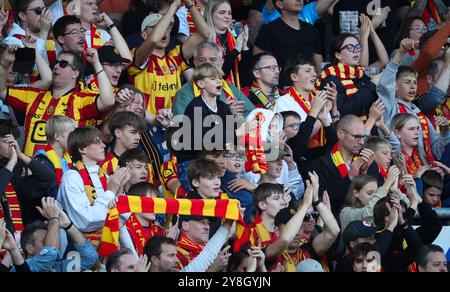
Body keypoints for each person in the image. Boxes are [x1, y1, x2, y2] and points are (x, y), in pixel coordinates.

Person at [0, 49, 116, 157]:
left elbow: (108, 101)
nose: (56, 66)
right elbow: (2, 91)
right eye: (56, 63)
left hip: (64, 174)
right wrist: (4, 64)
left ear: (75, 73)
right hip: (29, 172)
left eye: (63, 64)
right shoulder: (34, 96)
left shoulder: (80, 101)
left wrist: (96, 63)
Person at [129, 0, 209, 117]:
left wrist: (190, 5)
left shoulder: (175, 57)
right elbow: (153, 40)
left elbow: (204, 33)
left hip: (172, 124)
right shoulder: (138, 56)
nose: (164, 32)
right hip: (147, 125)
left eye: (168, 28)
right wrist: (174, 6)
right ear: (144, 35)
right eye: (157, 28)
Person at [377, 39, 450, 162]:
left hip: (425, 168)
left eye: (415, 83)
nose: (413, 86)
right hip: (402, 168)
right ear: (394, 86)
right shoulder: (390, 107)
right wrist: (400, 53)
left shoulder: (418, 112)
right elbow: (385, 85)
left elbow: (436, 151)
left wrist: (444, 132)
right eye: (407, 82)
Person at [57, 127, 130, 247]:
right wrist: (111, 191)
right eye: (97, 142)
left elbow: (124, 215)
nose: (104, 146)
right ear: (82, 149)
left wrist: (120, 189)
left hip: (110, 244)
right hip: (81, 250)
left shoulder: (104, 176)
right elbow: (86, 220)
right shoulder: (71, 178)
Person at [235, 174, 315, 271]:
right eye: (276, 198)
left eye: (282, 198)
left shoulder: (281, 230)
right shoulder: (249, 232)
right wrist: (305, 204)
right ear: (262, 205)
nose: (283, 202)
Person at [308, 115, 381, 216]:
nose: (362, 142)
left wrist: (364, 175)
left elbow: (378, 198)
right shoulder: (319, 165)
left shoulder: (368, 162)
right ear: (341, 134)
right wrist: (350, 177)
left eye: (363, 137)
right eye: (357, 137)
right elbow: (321, 200)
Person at [172, 41, 254, 117]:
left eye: (213, 60)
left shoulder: (229, 88)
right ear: (195, 63)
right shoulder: (185, 93)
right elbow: (184, 128)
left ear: (221, 63)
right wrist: (224, 113)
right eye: (202, 60)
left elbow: (252, 113)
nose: (207, 64)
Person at [254, 0, 323, 86]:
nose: (299, 0)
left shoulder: (311, 29)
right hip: (280, 90)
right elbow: (258, 63)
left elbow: (318, 63)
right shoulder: (268, 30)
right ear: (279, 4)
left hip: (308, 89)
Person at [19, 197, 98, 272]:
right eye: (45, 242)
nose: (54, 243)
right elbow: (51, 252)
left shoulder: (57, 267)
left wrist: (68, 225)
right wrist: (53, 219)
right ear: (30, 248)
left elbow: (90, 257)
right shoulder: (23, 268)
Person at [0, 120, 55, 227]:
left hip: (26, 226)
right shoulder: (10, 166)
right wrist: (12, 162)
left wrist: (20, 155)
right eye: (5, 141)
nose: (10, 145)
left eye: (13, 140)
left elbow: (49, 178)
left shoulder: (22, 164)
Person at [315, 33, 377, 118]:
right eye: (350, 47)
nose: (356, 51)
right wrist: (371, 86)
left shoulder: (360, 74)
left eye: (358, 47)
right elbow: (343, 112)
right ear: (338, 55)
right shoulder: (330, 79)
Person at [339, 169, 410, 232]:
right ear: (356, 193)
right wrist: (387, 183)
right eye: (370, 193)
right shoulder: (345, 212)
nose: (374, 197)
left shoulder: (377, 209)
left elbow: (406, 206)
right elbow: (367, 214)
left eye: (376, 193)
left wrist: (394, 190)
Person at [204, 0, 249, 88]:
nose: (227, 16)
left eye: (229, 13)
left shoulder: (234, 39)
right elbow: (219, 75)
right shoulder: (204, 41)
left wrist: (244, 47)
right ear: (210, 15)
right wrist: (236, 50)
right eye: (222, 13)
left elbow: (247, 79)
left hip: (237, 93)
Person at [100, 111, 146, 176]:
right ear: (118, 133)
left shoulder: (145, 163)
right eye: (133, 132)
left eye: (139, 133)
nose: (138, 137)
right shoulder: (104, 164)